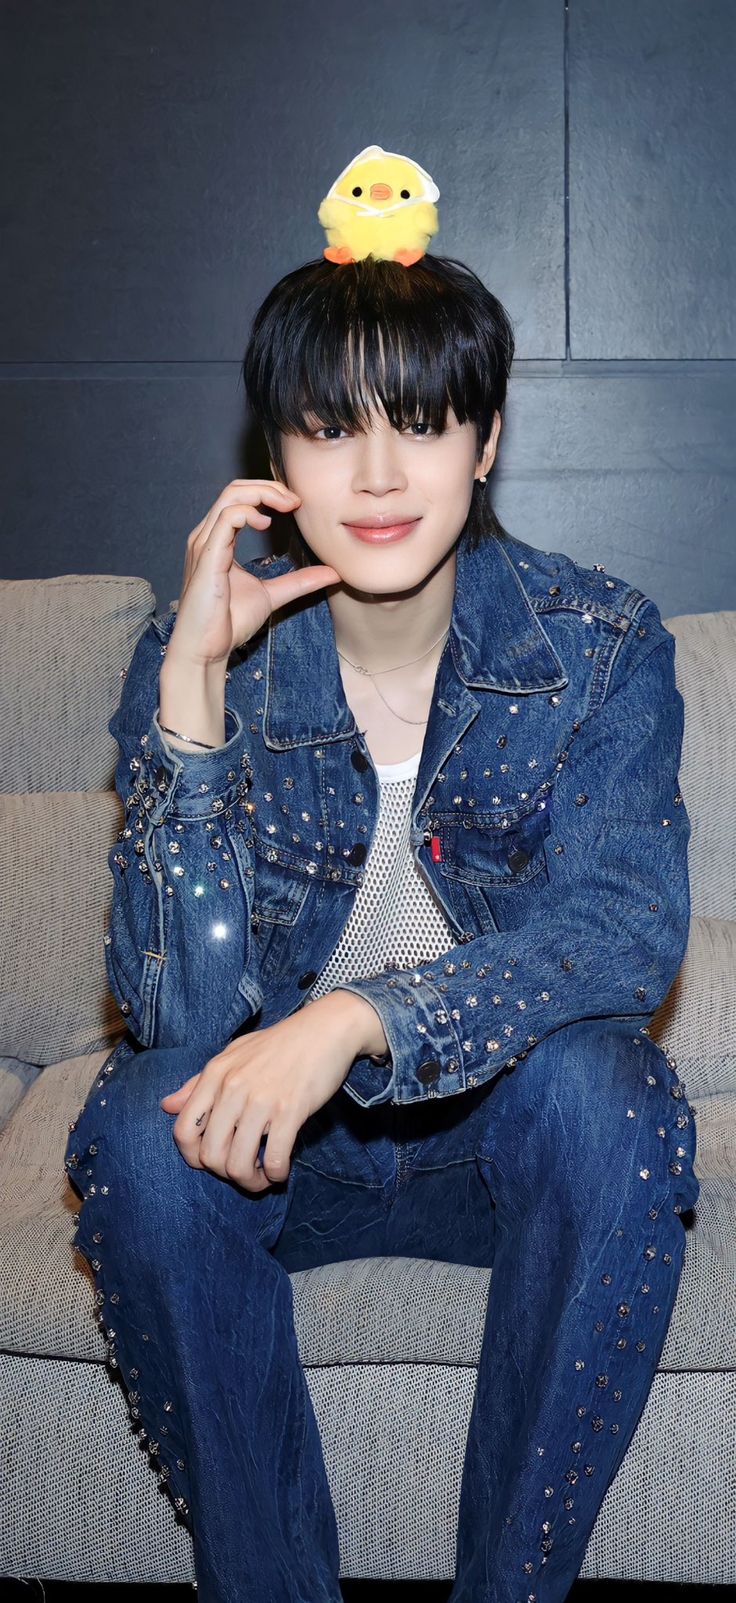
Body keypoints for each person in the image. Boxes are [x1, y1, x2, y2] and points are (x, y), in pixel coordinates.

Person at [65, 253, 699, 1603]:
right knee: (130, 1121)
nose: (377, 475)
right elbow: (178, 1023)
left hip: (497, 1149)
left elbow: (624, 931)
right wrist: (190, 700)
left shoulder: (597, 645)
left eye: (419, 421)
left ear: (486, 438)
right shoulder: (207, 651)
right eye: (330, 425)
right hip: (279, 1167)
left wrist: (357, 1018)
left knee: (617, 1097)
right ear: (276, 455)